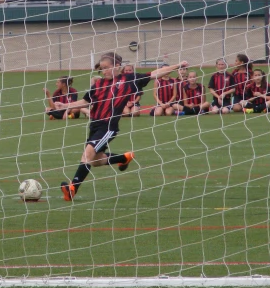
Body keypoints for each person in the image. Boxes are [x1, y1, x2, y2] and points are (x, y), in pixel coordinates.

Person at [58, 52, 188, 201]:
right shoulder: (98, 84)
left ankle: (72, 188)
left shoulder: (128, 80)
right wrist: (65, 105)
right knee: (95, 160)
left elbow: (154, 73)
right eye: (102, 68)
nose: (104, 71)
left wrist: (178, 65)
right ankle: (124, 157)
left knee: (87, 155)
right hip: (94, 126)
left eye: (107, 67)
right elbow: (85, 101)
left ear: (117, 66)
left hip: (107, 127)